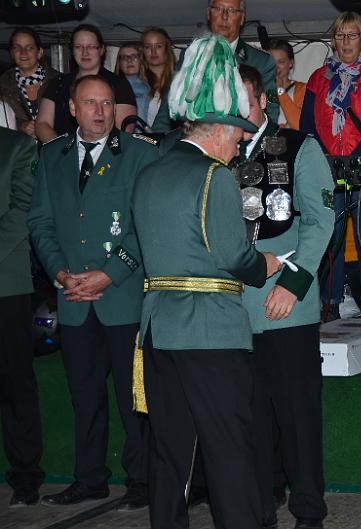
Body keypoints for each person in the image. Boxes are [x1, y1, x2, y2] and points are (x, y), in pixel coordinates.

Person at [132, 33, 279, 529]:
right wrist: (267, 265)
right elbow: (234, 255)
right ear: (218, 129)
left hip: (158, 331)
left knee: (170, 454)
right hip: (210, 333)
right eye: (237, 133)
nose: (239, 142)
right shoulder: (215, 177)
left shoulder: (149, 174)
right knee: (228, 452)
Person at [27, 74, 158, 509]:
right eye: (90, 103)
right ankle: (89, 479)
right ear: (72, 109)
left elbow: (147, 224)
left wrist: (109, 274)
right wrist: (60, 274)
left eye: (106, 103)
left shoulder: (140, 154)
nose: (100, 111)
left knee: (132, 397)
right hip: (73, 299)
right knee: (84, 396)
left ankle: (143, 481)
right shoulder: (52, 156)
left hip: (122, 298)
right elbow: (40, 222)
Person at [235, 63, 334, 529]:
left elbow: (321, 220)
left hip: (285, 303)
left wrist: (292, 286)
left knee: (297, 417)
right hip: (234, 309)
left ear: (262, 101)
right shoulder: (217, 152)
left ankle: (308, 510)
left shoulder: (298, 146)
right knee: (251, 417)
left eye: (242, 99)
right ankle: (261, 505)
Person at [300, 10, 361, 321]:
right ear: (334, 41)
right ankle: (331, 304)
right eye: (340, 36)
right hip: (327, 168)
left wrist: (355, 159)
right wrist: (326, 160)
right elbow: (306, 126)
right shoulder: (318, 78)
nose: (346, 41)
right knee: (331, 238)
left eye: (352, 35)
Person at [0, 127, 44, 507]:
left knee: (15, 382)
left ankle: (26, 475)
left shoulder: (18, 146)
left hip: (7, 285)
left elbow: (21, 211)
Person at [150, 0, 278, 132]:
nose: (224, 16)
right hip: (195, 137)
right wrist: (157, 139)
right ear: (208, 14)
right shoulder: (191, 55)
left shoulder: (261, 62)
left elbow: (270, 113)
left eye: (232, 11)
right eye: (218, 9)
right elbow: (168, 107)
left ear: (241, 18)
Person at [36, 24, 137, 142]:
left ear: (102, 50)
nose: (85, 52)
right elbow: (42, 124)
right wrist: (62, 149)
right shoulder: (58, 83)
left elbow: (125, 128)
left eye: (91, 47)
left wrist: (95, 151)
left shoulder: (118, 84)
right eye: (79, 47)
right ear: (72, 50)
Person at [0, 27, 59, 137]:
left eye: (30, 47)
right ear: (12, 53)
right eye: (17, 47)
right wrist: (20, 125)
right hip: (19, 146)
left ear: (39, 52)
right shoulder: (3, 85)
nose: (23, 52)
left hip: (54, 144)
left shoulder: (58, 81)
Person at [141, 27, 175, 128]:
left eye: (158, 46)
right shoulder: (136, 83)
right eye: (148, 47)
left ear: (167, 49)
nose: (153, 52)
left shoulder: (179, 81)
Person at [269, 39, 307, 130]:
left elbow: (299, 124)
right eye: (271, 62)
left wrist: (280, 90)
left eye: (281, 62)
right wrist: (283, 127)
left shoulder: (302, 89)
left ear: (290, 63)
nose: (276, 67)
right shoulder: (259, 88)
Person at [114, 43, 150, 125]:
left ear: (141, 60)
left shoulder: (153, 87)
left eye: (134, 56)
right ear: (119, 63)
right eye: (124, 57)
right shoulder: (109, 86)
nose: (129, 60)